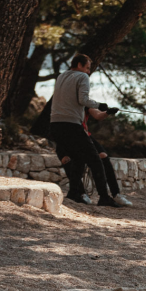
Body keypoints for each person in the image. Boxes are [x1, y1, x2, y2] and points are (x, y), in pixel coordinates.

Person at [48, 54, 122, 207]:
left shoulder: (61, 76)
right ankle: (103, 197)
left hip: (55, 125)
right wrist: (99, 104)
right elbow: (83, 100)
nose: (88, 72)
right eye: (88, 67)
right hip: (72, 125)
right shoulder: (82, 77)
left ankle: (74, 193)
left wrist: (103, 110)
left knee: (78, 158)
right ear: (80, 65)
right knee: (95, 160)